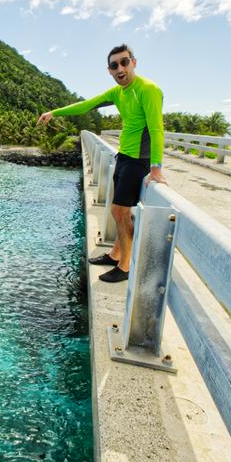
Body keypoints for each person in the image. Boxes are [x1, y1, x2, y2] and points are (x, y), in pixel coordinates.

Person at [37, 44, 166, 283]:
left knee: (119, 211)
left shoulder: (148, 89)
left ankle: (125, 267)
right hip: (124, 156)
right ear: (109, 70)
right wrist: (55, 112)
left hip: (139, 160)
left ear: (133, 62)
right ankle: (116, 254)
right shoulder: (118, 92)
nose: (120, 69)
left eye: (124, 62)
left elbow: (157, 129)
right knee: (119, 211)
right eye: (114, 65)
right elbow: (86, 105)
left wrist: (156, 167)